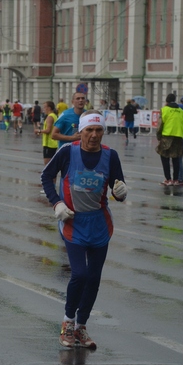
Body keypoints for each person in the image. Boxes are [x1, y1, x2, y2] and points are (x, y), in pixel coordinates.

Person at [41, 111, 127, 349]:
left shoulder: (111, 156)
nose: (94, 135)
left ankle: (81, 328)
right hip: (72, 222)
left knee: (94, 278)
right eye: (89, 130)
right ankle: (67, 323)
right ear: (81, 131)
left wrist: (120, 193)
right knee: (79, 274)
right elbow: (46, 177)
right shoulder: (68, 152)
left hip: (100, 223)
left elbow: (117, 186)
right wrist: (57, 202)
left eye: (98, 130)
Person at [156, 93, 183, 186]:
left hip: (167, 136)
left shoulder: (164, 110)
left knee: (164, 157)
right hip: (178, 137)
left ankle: (168, 179)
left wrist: (158, 136)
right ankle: (176, 180)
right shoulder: (181, 111)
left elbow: (160, 125)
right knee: (176, 158)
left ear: (166, 101)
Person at [36, 101, 59, 166]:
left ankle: (50, 176)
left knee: (47, 165)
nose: (43, 109)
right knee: (51, 165)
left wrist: (39, 131)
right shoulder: (54, 115)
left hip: (49, 144)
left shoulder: (50, 117)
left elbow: (48, 130)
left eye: (45, 107)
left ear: (49, 108)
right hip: (52, 143)